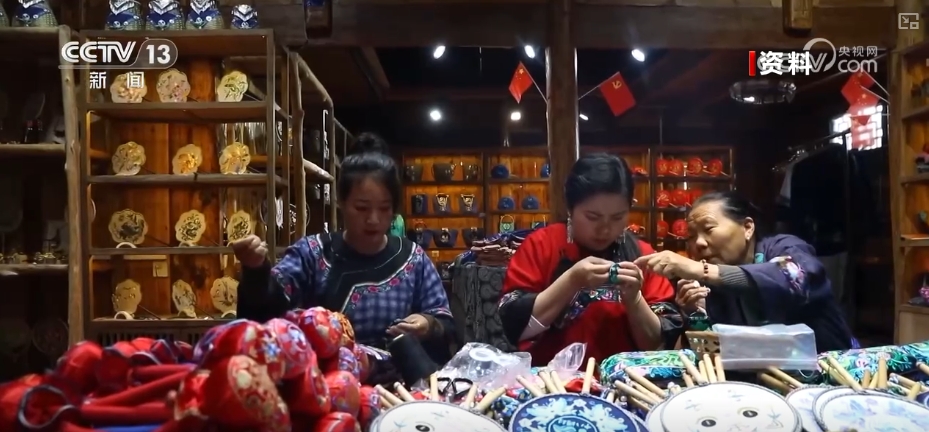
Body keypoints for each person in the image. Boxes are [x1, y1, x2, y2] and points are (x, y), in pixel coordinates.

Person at [234, 133, 457, 364]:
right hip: (325, 381)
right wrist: (256, 271)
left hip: (403, 384)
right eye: (361, 208)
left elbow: (446, 323)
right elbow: (268, 315)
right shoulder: (312, 253)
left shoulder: (414, 259)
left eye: (384, 208)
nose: (373, 219)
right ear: (341, 202)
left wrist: (428, 324)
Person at [498, 154, 682, 366]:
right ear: (570, 208)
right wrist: (572, 280)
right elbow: (514, 328)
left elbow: (658, 346)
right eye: (592, 217)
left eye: (617, 217)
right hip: (552, 380)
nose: (605, 229)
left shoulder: (642, 255)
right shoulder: (541, 244)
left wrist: (634, 300)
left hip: (625, 380)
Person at [634, 191, 855, 352]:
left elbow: (795, 276)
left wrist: (702, 269)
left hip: (828, 370)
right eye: (691, 236)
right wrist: (694, 313)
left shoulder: (784, 247)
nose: (698, 243)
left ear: (748, 227)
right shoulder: (712, 284)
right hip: (762, 380)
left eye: (708, 229)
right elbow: (711, 352)